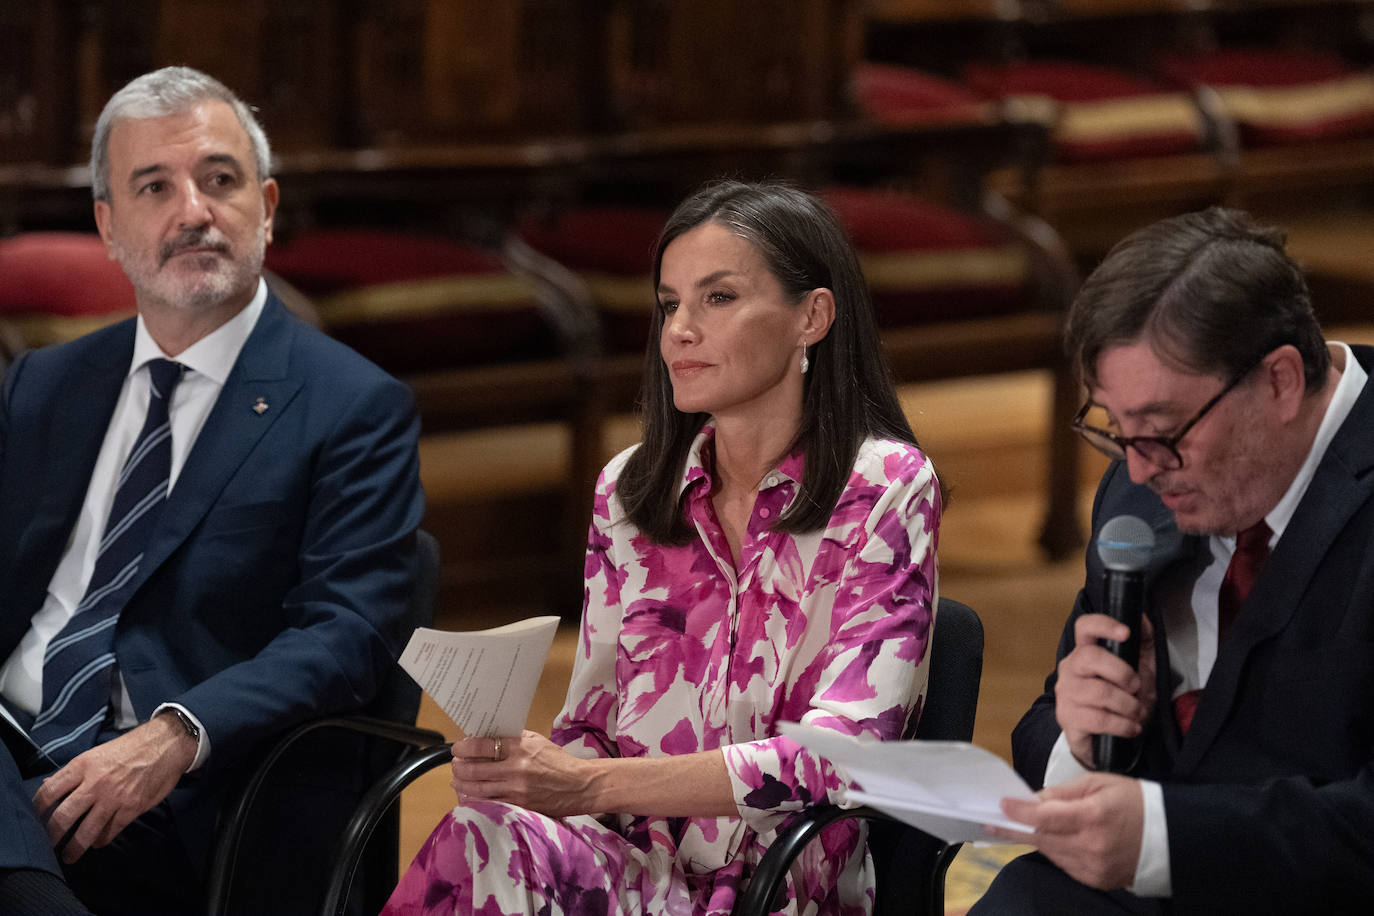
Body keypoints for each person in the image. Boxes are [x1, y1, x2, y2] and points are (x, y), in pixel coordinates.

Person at [382, 180, 941, 915]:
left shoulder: (886, 487)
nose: (679, 329)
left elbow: (843, 758)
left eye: (717, 298)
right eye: (669, 303)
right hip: (633, 872)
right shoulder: (632, 489)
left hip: (784, 889)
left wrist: (587, 787)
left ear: (813, 315)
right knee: (484, 832)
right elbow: (591, 729)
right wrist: (524, 777)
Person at [0, 67, 423, 914]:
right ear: (109, 229)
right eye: (154, 186)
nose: (192, 210)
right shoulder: (43, 386)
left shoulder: (354, 406)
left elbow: (348, 634)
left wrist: (175, 733)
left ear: (265, 207)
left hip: (173, 792)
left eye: (219, 180)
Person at [971, 207, 1374, 914]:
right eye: (1113, 429)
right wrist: (1084, 737)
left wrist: (1162, 836)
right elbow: (1046, 723)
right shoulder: (1143, 486)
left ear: (1280, 380)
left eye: (1162, 432)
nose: (1136, 467)